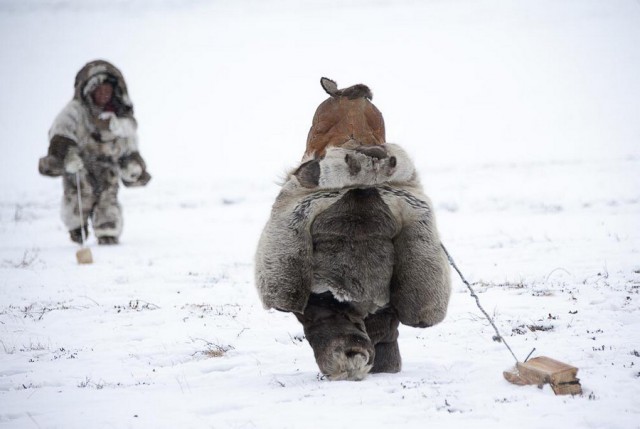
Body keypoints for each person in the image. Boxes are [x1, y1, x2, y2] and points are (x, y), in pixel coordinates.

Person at [255, 78, 451, 380]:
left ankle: (370, 355)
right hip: (329, 296)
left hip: (371, 300)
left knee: (382, 360)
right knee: (342, 344)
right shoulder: (315, 189)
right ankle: (349, 353)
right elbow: (287, 232)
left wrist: (282, 290)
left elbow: (419, 242)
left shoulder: (317, 190)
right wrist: (423, 304)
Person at [38, 60, 151, 245]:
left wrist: (133, 165)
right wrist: (66, 155)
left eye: (107, 90)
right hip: (79, 165)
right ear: (90, 90)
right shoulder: (74, 112)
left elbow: (128, 146)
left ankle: (108, 232)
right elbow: (60, 133)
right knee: (79, 194)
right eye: (99, 90)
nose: (104, 94)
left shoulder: (121, 120)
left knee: (108, 196)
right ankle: (76, 227)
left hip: (108, 166)